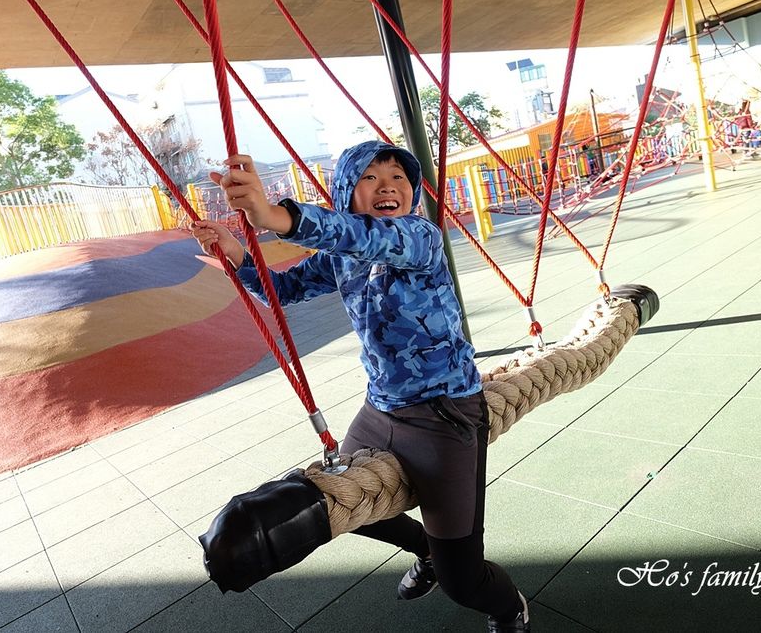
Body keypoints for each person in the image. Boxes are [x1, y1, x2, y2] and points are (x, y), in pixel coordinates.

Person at [191, 140, 530, 632]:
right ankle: (426, 553)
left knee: (465, 580)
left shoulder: (420, 237)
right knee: (353, 505)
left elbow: (366, 237)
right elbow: (282, 290)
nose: (389, 185)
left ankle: (508, 606)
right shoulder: (343, 256)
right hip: (381, 409)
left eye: (399, 178)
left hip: (445, 415)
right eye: (371, 178)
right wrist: (236, 252)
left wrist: (273, 214)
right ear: (348, 192)